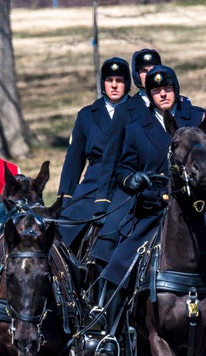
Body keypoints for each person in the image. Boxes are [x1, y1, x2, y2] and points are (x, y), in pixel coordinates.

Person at [93, 65, 206, 356]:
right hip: (154, 206)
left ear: (176, 89)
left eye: (167, 88)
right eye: (155, 90)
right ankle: (110, 336)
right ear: (148, 95)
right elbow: (124, 167)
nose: (162, 94)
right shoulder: (138, 125)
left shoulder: (198, 119)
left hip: (202, 206)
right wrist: (134, 180)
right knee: (120, 261)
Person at [89, 49, 163, 279]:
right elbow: (110, 159)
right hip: (131, 185)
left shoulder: (173, 103)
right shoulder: (125, 111)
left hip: (169, 185)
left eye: (152, 69)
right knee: (108, 237)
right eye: (143, 71)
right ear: (135, 75)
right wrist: (102, 202)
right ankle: (103, 302)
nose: (148, 75)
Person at [56, 57, 131, 249]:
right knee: (63, 231)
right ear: (102, 84)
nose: (114, 85)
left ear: (127, 83)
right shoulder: (87, 115)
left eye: (120, 80)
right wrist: (65, 199)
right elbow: (74, 162)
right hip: (93, 183)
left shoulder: (138, 110)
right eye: (109, 80)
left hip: (125, 181)